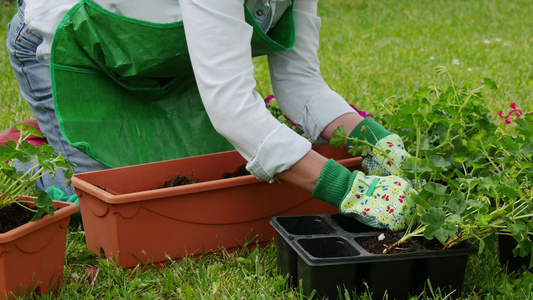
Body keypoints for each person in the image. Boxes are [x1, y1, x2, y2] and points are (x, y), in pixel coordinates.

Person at [7, 0, 414, 230]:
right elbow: (234, 112)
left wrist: (376, 139)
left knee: (202, 179)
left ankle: (74, 130)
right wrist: (350, 190)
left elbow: (300, 83)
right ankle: (19, 160)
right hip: (72, 47)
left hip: (168, 62)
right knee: (121, 206)